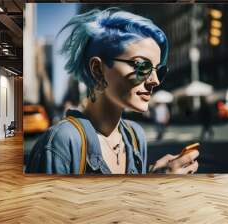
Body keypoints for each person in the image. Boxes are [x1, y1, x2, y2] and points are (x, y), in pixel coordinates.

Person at [25, 8, 199, 175]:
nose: (155, 81)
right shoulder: (61, 142)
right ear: (98, 70)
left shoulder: (135, 136)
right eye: (143, 66)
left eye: (159, 71)